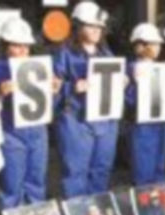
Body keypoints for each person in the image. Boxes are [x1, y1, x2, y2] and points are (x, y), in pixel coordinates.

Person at [0, 18, 58, 209]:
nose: (22, 51)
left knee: (36, 181)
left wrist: (54, 89)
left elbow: (51, 105)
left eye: (25, 47)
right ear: (5, 46)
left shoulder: (38, 67)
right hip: (11, 135)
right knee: (12, 185)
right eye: (16, 46)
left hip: (37, 132)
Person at [53, 2, 120, 197]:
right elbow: (51, 89)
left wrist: (121, 81)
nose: (97, 30)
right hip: (76, 120)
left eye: (99, 26)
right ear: (77, 26)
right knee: (76, 171)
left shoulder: (106, 54)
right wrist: (71, 88)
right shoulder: (64, 54)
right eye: (91, 26)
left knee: (102, 168)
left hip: (105, 120)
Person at [125, 22, 165, 185]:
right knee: (143, 164)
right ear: (140, 45)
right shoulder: (130, 68)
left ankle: (160, 198)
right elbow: (128, 100)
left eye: (158, 44)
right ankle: (144, 201)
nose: (158, 48)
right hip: (142, 122)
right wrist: (132, 84)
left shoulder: (161, 68)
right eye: (154, 44)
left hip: (161, 120)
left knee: (160, 161)